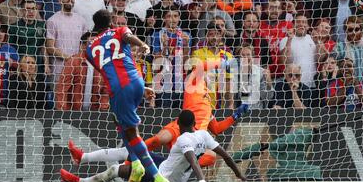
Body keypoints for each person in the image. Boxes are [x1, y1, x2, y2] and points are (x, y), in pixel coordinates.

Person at [66, 58, 250, 168]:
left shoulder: (208, 103)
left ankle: (171, 166)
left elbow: (216, 128)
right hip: (179, 129)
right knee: (155, 141)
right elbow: (200, 67)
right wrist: (224, 63)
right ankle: (126, 160)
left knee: (210, 157)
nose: (211, 77)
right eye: (210, 75)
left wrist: (235, 116)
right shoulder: (193, 87)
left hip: (195, 139)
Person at [85, 9, 169, 182]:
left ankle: (157, 176)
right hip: (136, 81)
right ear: (111, 23)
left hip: (118, 87)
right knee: (118, 119)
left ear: (95, 28)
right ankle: (136, 164)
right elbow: (129, 37)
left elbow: (104, 69)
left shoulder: (89, 49)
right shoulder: (120, 30)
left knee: (132, 133)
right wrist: (143, 45)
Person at [60, 109, 246, 182]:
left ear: (178, 124)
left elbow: (192, 160)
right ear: (195, 123)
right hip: (166, 166)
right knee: (132, 149)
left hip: (163, 177)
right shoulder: (204, 135)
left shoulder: (182, 139)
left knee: (116, 169)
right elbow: (227, 157)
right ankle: (82, 157)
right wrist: (239, 174)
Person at [55, 32, 109, 111]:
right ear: (82, 46)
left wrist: (102, 111)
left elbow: (106, 91)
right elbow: (62, 88)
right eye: (91, 42)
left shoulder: (103, 64)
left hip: (94, 114)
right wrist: (62, 111)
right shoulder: (73, 62)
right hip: (72, 112)